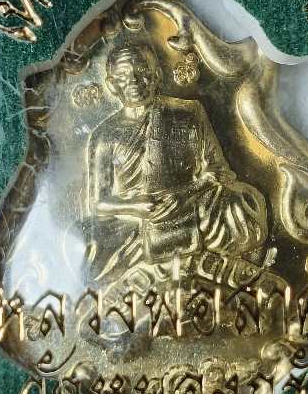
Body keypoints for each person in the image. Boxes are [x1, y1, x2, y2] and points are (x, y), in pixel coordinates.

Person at [87, 41, 267, 281]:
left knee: (242, 203)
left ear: (156, 75)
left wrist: (185, 194)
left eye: (142, 72)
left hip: (191, 205)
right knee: (88, 242)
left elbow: (221, 172)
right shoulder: (104, 134)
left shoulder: (188, 112)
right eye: (123, 76)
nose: (134, 82)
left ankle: (196, 257)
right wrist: (135, 207)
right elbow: (98, 203)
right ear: (111, 84)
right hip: (140, 219)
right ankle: (172, 258)